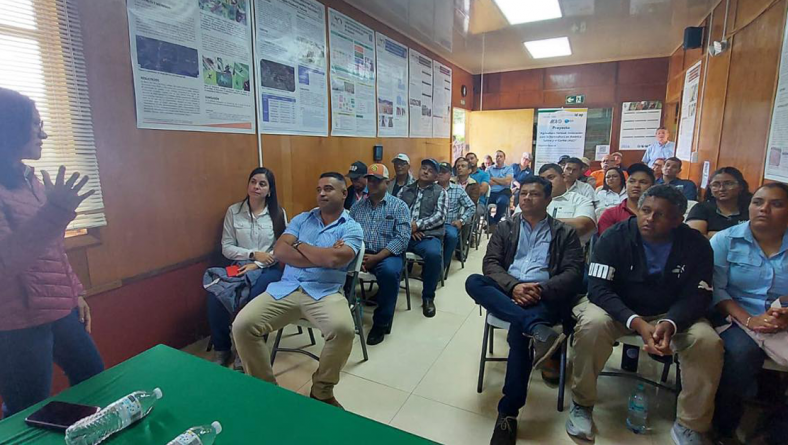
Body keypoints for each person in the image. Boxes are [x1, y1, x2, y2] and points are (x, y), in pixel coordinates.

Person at [568, 185, 723, 444]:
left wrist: (671, 322)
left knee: (707, 342)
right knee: (592, 324)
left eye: (660, 215)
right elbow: (598, 289)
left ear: (677, 219)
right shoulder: (615, 237)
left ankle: (691, 424)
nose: (649, 219)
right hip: (618, 308)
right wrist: (636, 321)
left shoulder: (696, 244)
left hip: (672, 313)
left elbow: (699, 294)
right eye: (645, 210)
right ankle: (582, 404)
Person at [0, 88, 104, 417]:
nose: (43, 132)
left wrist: (76, 292)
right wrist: (56, 211)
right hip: (17, 323)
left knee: (95, 379)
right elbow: (7, 260)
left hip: (59, 309)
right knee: (26, 412)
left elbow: (53, 247)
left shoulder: (31, 180)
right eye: (35, 124)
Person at [465, 176, 584, 445]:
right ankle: (534, 326)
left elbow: (574, 274)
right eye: (524, 194)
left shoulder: (564, 233)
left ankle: (508, 414)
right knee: (474, 281)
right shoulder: (506, 227)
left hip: (546, 294)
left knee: (519, 333)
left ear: (548, 199)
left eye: (534, 194)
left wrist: (539, 290)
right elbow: (491, 264)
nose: (527, 198)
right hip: (509, 292)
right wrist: (515, 286)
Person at [233, 172, 363, 409]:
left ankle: (322, 390)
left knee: (344, 330)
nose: (321, 193)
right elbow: (281, 251)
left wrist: (299, 245)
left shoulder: (352, 228)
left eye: (328, 189)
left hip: (325, 291)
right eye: (319, 189)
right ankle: (265, 387)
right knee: (242, 326)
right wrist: (323, 256)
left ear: (344, 193)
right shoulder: (302, 219)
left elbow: (337, 260)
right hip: (287, 288)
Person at [710, 183, 788, 445]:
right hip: (734, 316)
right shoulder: (725, 240)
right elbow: (716, 289)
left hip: (782, 320)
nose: (764, 209)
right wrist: (749, 319)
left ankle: (774, 432)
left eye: (776, 204)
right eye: (758, 202)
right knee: (741, 356)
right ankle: (724, 428)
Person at [208, 167, 287, 366]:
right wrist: (251, 255)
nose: (256, 187)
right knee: (215, 296)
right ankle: (222, 349)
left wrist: (258, 263)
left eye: (262, 184)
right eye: (253, 182)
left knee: (255, 299)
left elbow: (281, 249)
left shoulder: (278, 213)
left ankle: (247, 352)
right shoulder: (234, 211)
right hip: (240, 265)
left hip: (269, 268)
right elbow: (226, 247)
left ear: (269, 190)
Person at [349, 164, 410, 346]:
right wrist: (356, 255)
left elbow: (403, 238)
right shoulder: (357, 207)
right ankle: (345, 313)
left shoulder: (399, 206)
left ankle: (381, 323)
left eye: (377, 181)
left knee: (390, 273)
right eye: (370, 180)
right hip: (361, 253)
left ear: (387, 182)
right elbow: (349, 233)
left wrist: (377, 257)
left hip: (387, 254)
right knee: (335, 266)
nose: (372, 184)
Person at [397, 159, 449, 318]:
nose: (426, 172)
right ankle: (385, 289)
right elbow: (396, 211)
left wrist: (417, 225)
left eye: (431, 171)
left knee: (434, 255)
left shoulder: (440, 192)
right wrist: (409, 229)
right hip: (404, 234)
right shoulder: (405, 190)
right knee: (385, 249)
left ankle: (428, 297)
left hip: (427, 236)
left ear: (436, 176)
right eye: (424, 168)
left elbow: (440, 217)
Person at [522, 163, 596, 244]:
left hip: (568, 250)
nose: (547, 182)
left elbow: (582, 225)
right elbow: (517, 224)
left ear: (564, 177)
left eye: (551, 177)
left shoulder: (580, 200)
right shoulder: (530, 199)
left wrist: (539, 222)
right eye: (543, 179)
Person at [687, 167, 751, 239]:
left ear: (741, 186)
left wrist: (712, 234)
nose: (721, 189)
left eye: (728, 184)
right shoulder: (701, 208)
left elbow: (759, 237)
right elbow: (694, 238)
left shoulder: (750, 208)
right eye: (715, 185)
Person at [597, 163, 655, 235]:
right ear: (626, 184)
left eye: (643, 182)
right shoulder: (610, 214)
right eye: (632, 181)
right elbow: (606, 244)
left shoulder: (657, 214)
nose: (636, 185)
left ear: (652, 186)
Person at [438, 162, 474, 272]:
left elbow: (471, 207)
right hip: (431, 224)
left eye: (443, 172)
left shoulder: (458, 190)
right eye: (438, 172)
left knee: (452, 237)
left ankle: (442, 267)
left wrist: (461, 220)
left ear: (450, 174)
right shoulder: (432, 188)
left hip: (449, 224)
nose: (440, 174)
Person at [487, 150, 515, 228]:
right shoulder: (489, 169)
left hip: (503, 192)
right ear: (494, 158)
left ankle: (495, 221)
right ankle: (492, 222)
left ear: (504, 158)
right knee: (481, 205)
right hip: (490, 192)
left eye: (501, 156)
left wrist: (493, 178)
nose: (498, 158)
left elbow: (507, 182)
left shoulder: (509, 169)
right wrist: (501, 180)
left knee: (502, 202)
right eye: (497, 156)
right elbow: (488, 182)